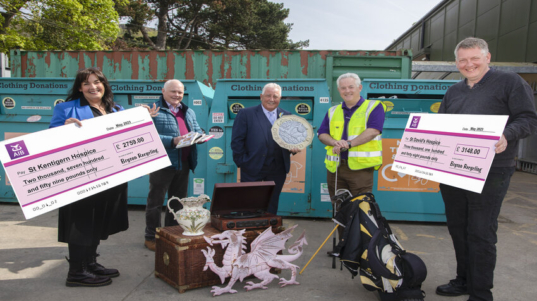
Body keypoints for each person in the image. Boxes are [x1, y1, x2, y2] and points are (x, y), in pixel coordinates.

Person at [436, 37, 537, 301]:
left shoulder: (510, 82)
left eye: (474, 59)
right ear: (456, 62)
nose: (469, 65)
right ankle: (464, 281)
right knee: (458, 228)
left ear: (487, 57)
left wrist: (507, 134)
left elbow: (528, 118)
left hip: (493, 169)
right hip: (454, 168)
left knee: (481, 231)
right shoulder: (453, 91)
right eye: (462, 60)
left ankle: (481, 294)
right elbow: (443, 129)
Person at [49, 67, 159, 287]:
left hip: (110, 178)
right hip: (81, 179)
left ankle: (89, 263)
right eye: (87, 83)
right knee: (81, 223)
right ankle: (76, 272)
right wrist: (62, 129)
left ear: (104, 85)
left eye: (97, 82)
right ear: (79, 88)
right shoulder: (66, 108)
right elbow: (49, 139)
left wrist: (142, 120)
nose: (93, 87)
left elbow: (129, 137)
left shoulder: (116, 109)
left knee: (98, 221)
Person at [144, 79, 203, 251]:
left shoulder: (188, 111)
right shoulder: (153, 110)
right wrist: (172, 141)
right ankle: (151, 237)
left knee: (176, 203)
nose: (177, 95)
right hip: (162, 163)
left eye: (180, 92)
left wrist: (200, 136)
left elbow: (197, 129)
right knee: (155, 203)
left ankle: (170, 234)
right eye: (173, 91)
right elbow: (146, 135)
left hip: (183, 163)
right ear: (163, 91)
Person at [317, 72, 385, 211]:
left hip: (360, 170)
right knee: (340, 211)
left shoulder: (374, 106)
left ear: (359, 88)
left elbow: (373, 130)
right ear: (339, 90)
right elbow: (321, 134)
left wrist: (348, 144)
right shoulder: (332, 111)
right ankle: (344, 234)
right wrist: (335, 142)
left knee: (362, 211)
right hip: (335, 169)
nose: (347, 91)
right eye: (343, 88)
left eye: (351, 87)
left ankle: (360, 234)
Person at [231, 83, 301, 215]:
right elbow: (237, 141)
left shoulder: (287, 116)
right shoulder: (246, 113)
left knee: (272, 203)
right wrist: (242, 162)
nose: (271, 99)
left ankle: (268, 232)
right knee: (249, 203)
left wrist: (294, 148)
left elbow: (292, 140)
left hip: (278, 168)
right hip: (252, 166)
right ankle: (249, 232)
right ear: (261, 96)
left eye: (275, 96)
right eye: (268, 95)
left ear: (280, 98)